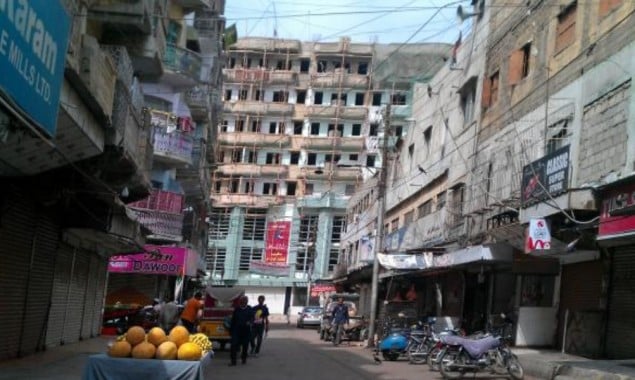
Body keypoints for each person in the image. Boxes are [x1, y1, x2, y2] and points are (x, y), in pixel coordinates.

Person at [229, 296, 253, 366]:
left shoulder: (249, 309)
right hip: (236, 331)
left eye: (244, 301)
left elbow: (252, 318)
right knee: (233, 345)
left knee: (245, 346)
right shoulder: (237, 309)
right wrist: (231, 330)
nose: (242, 303)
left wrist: (250, 322)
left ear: (246, 302)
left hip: (246, 331)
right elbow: (233, 320)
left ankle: (244, 358)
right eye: (241, 301)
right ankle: (233, 361)